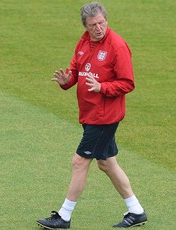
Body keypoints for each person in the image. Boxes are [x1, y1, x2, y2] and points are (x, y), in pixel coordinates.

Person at [36, 2, 147, 229]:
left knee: (79, 162)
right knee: (106, 163)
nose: (99, 28)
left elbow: (128, 83)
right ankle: (136, 211)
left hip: (104, 117)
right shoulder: (83, 42)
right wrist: (67, 82)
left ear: (106, 20)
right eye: (93, 25)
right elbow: (77, 71)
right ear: (85, 26)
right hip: (89, 114)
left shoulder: (117, 46)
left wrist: (102, 87)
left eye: (101, 22)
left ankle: (64, 216)